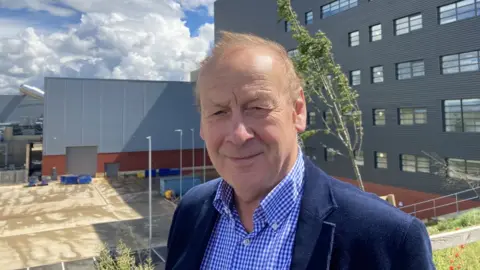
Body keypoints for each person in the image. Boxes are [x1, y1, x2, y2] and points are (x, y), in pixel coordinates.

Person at [165, 31, 435, 270]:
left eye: (257, 107)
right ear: (202, 124)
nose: (238, 134)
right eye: (219, 111)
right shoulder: (191, 210)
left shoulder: (389, 238)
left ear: (297, 111)